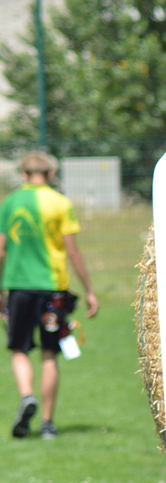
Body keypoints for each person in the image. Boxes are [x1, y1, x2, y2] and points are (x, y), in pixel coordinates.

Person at [0, 152, 99, 439]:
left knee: (19, 349)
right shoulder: (60, 203)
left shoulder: (10, 203)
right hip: (53, 290)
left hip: (18, 288)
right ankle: (47, 424)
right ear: (51, 174)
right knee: (49, 354)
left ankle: (27, 396)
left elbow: (1, 250)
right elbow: (73, 251)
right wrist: (90, 291)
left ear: (23, 174)